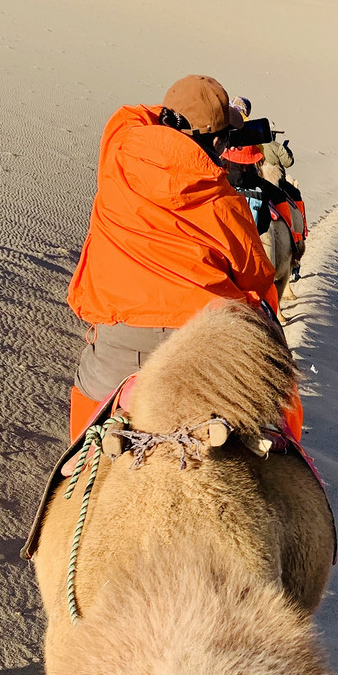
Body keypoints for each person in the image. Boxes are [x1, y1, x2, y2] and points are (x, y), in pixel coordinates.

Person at [66, 74, 298, 441]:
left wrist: (178, 121)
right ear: (220, 141)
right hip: (204, 349)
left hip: (117, 348)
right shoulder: (226, 203)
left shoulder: (118, 159)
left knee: (85, 428)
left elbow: (129, 115)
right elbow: (256, 278)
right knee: (279, 399)